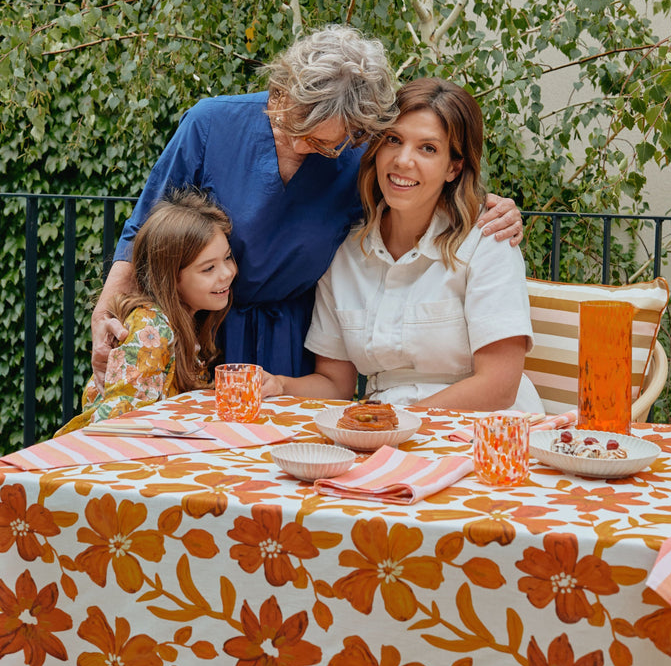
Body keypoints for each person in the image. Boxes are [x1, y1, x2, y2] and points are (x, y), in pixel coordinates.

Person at [91, 26, 524, 387]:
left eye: (321, 142)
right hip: (200, 327)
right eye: (291, 124)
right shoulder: (209, 124)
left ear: (356, 131)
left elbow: (419, 184)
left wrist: (492, 207)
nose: (300, 146)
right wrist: (107, 311)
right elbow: (143, 229)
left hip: (293, 341)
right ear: (281, 90)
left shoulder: (360, 157)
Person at [261, 78, 543, 414]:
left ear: (454, 167)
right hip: (389, 426)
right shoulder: (345, 251)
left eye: (428, 148)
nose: (403, 160)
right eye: (393, 140)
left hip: (484, 427)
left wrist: (396, 422)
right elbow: (335, 384)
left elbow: (499, 385)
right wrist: (280, 385)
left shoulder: (488, 238)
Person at [59, 189, 236, 432]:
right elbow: (117, 424)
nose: (227, 273)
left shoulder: (185, 322)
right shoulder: (151, 328)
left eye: (227, 257)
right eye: (209, 268)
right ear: (171, 277)